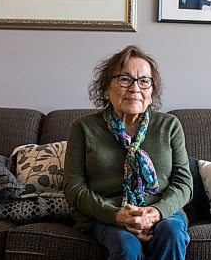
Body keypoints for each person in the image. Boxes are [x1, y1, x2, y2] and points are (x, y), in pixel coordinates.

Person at [64, 45, 194, 260]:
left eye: (144, 81)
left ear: (152, 92)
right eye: (125, 79)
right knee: (126, 245)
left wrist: (157, 212)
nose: (135, 88)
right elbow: (73, 187)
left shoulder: (169, 125)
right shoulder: (83, 127)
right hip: (105, 214)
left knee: (171, 233)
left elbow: (184, 183)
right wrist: (116, 215)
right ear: (106, 88)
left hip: (162, 211)